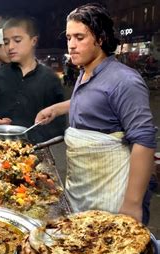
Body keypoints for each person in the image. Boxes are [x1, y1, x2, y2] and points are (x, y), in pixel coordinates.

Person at [35, 3, 157, 223]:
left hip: (113, 193)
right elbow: (92, 100)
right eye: (69, 38)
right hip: (84, 186)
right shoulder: (85, 73)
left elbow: (144, 141)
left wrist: (132, 204)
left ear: (100, 39)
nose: (71, 45)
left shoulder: (125, 81)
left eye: (79, 37)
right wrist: (56, 108)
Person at [0, 17, 66, 142]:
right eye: (6, 42)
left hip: (34, 152)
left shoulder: (50, 79)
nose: (10, 47)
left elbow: (59, 125)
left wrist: (35, 138)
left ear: (33, 40)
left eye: (17, 40)